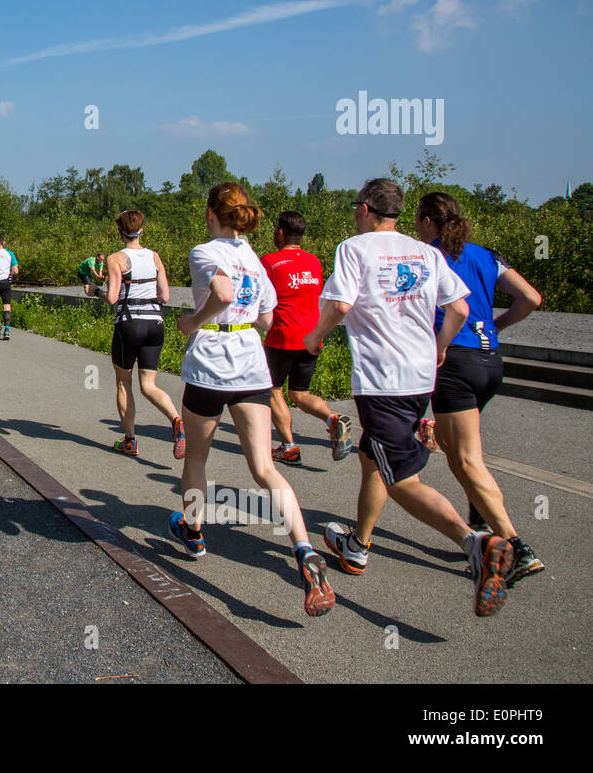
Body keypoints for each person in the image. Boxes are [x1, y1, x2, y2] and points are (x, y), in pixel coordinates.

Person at [305, 178, 514, 617]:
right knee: (372, 456)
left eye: (355, 206)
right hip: (421, 377)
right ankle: (357, 544)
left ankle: (475, 542)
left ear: (365, 209)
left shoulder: (355, 248)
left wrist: (315, 337)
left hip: (384, 380)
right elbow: (458, 307)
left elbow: (341, 306)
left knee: (400, 479)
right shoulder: (428, 252)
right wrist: (438, 347)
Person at [170, 184, 335, 618]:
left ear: (211, 214)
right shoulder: (257, 262)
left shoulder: (205, 252)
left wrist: (194, 320)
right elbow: (265, 317)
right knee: (263, 468)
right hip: (250, 364)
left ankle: (193, 532)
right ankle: (304, 549)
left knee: (198, 459)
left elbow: (222, 294)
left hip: (210, 362)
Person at [415, 191, 545, 583]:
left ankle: (515, 545)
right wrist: (497, 327)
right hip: (490, 361)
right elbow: (531, 298)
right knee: (459, 451)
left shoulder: (428, 256)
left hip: (453, 360)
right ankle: (481, 518)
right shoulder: (487, 255)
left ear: (426, 222)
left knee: (467, 460)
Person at [260, 211, 352, 464]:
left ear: (279, 232)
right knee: (300, 393)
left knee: (272, 390)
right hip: (312, 334)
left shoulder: (269, 261)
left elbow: (260, 297)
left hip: (282, 335)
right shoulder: (314, 262)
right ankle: (332, 418)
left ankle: (289, 446)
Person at [91, 212, 185, 461]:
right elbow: (165, 296)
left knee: (124, 383)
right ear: (142, 231)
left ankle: (130, 440)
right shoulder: (154, 256)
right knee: (149, 385)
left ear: (121, 233)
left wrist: (95, 291)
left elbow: (112, 298)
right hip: (155, 323)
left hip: (129, 323)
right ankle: (176, 420)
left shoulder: (116, 259)